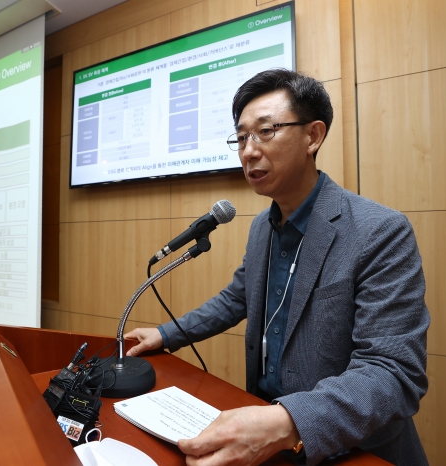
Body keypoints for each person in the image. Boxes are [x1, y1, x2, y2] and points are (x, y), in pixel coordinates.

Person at [124, 69, 430, 466]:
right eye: (242, 136)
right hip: (271, 444)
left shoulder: (379, 231)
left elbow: (393, 373)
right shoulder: (260, 229)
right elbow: (236, 299)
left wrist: (286, 421)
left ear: (313, 136)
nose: (249, 150)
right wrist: (166, 333)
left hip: (352, 450)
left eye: (266, 131)